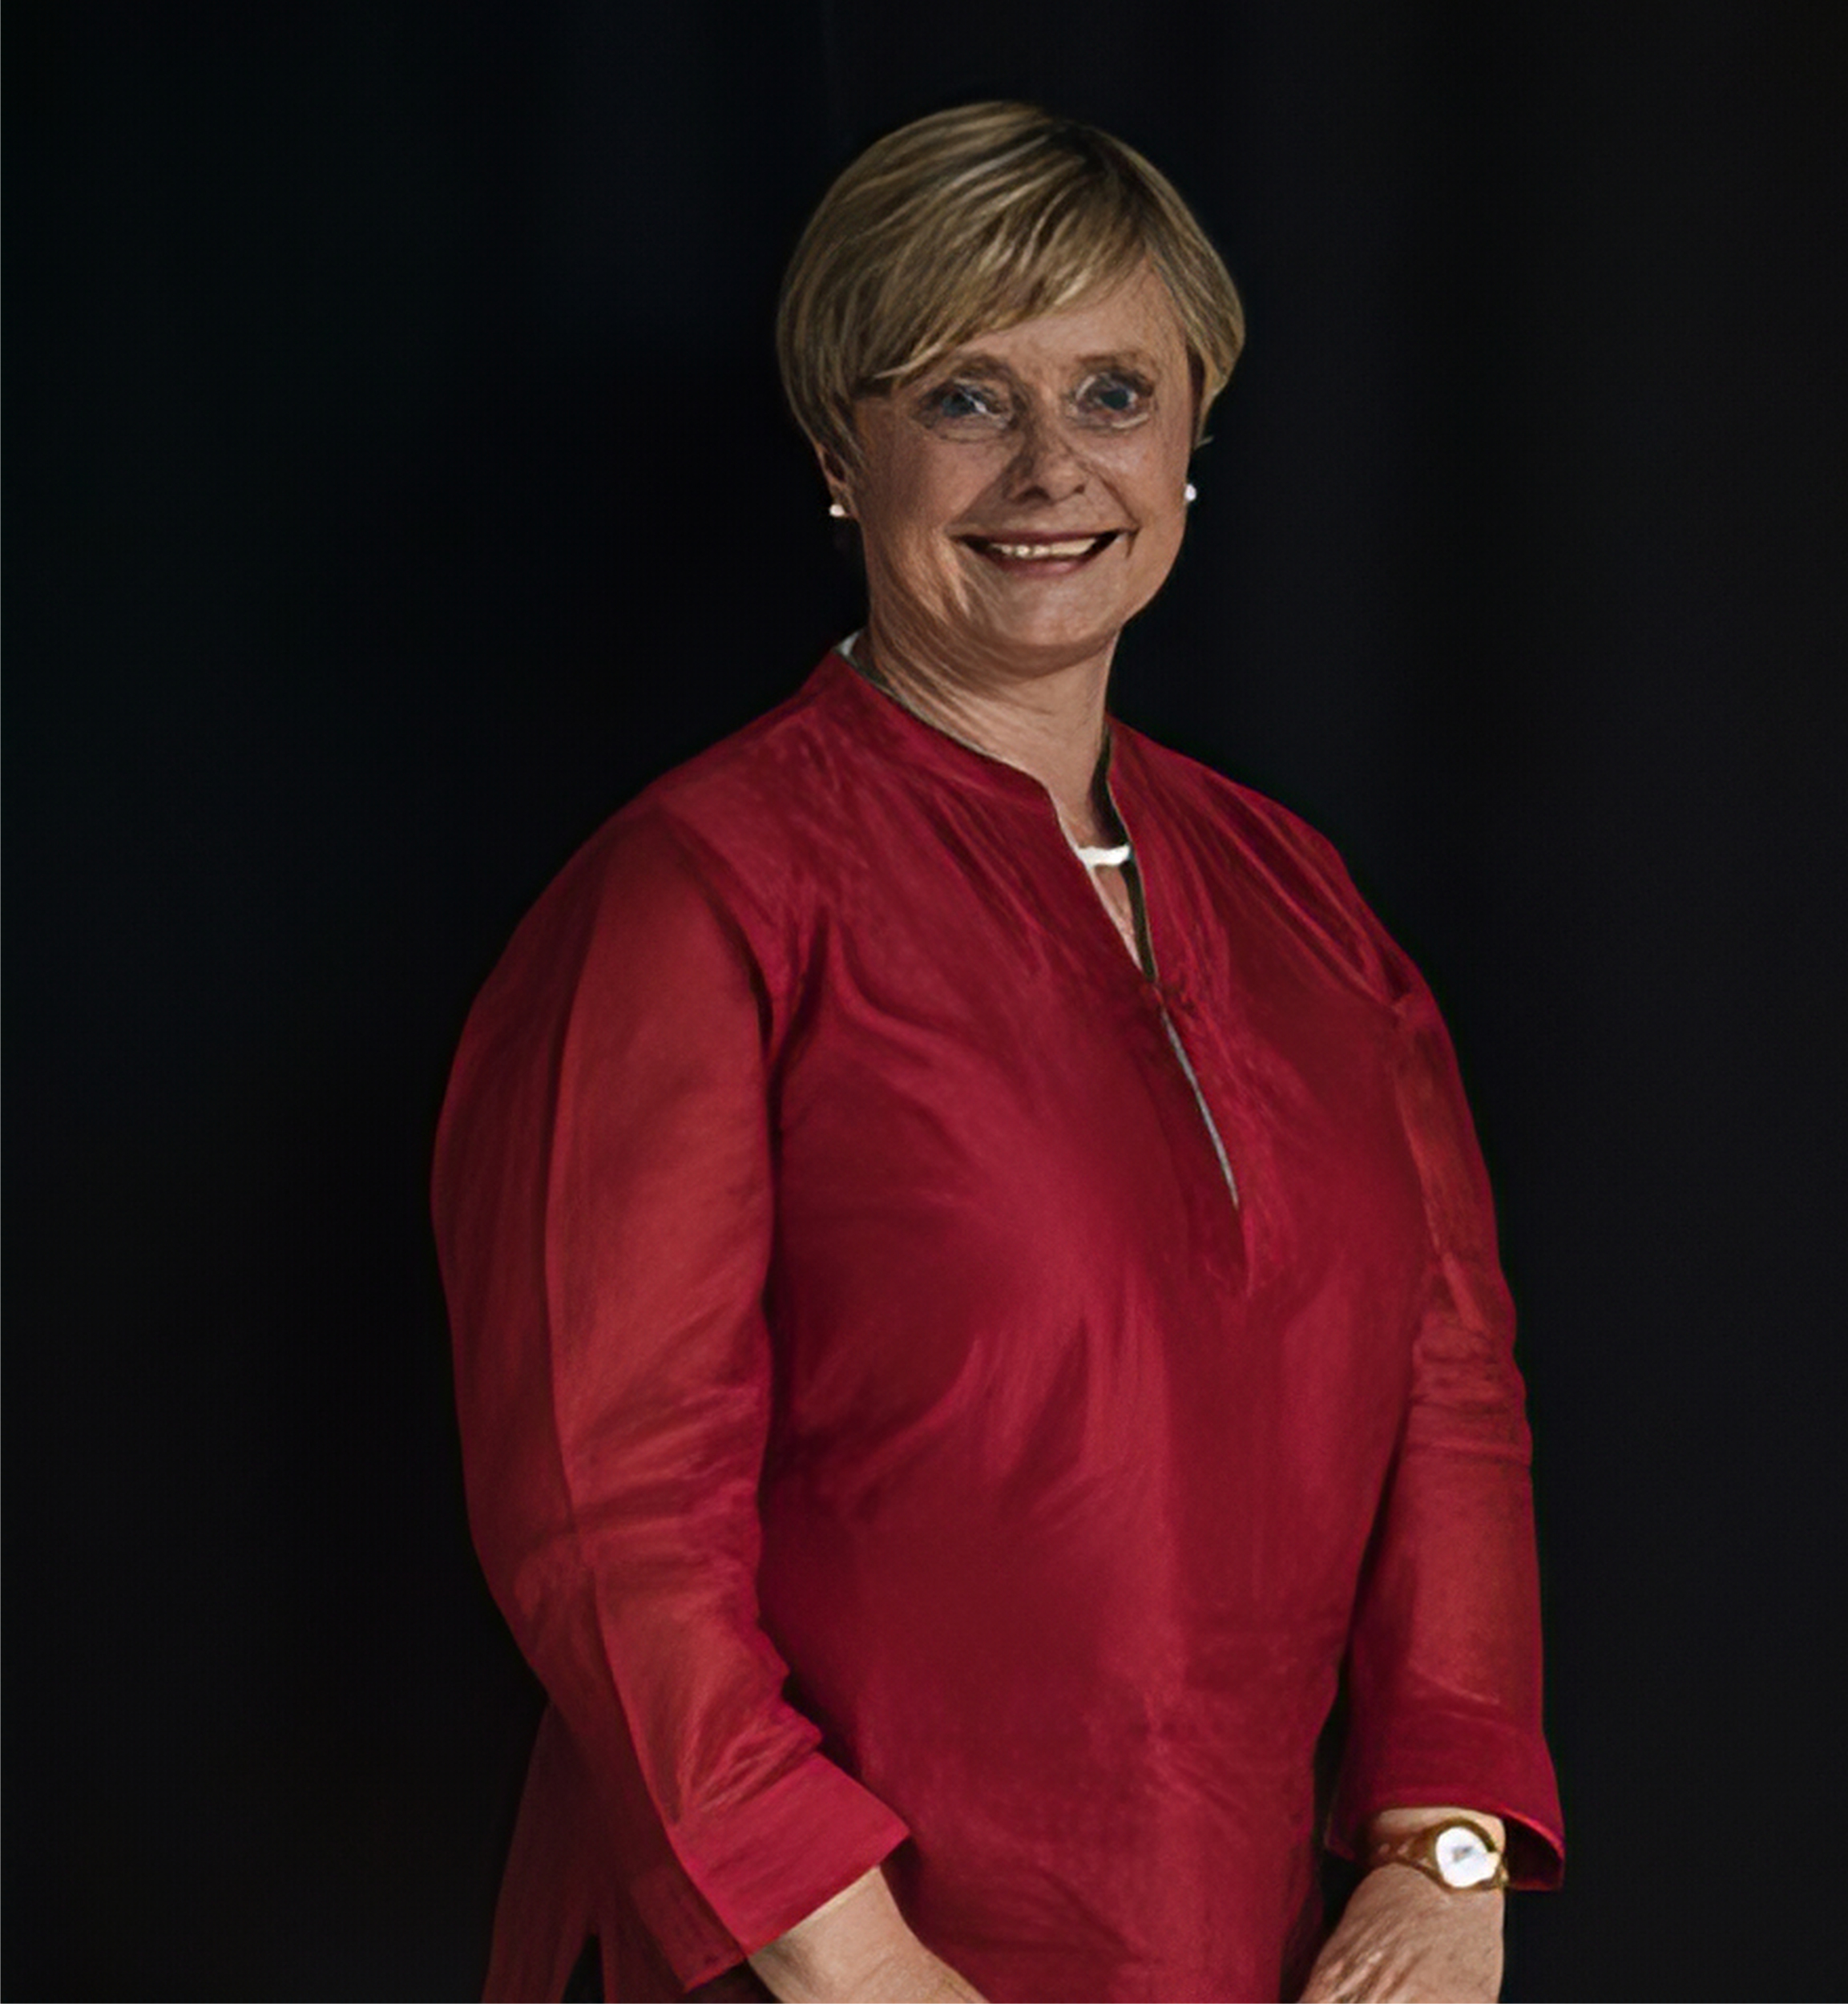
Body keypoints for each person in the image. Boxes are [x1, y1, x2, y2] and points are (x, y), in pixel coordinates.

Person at [433, 101, 1563, 2004]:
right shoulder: (698, 898)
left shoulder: (1304, 908)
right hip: (822, 1965)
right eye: (963, 396)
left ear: (1194, 433)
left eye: (1112, 391)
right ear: (834, 449)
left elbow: (1449, 1399)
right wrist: (851, 1955)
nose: (1052, 466)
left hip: (1248, 1956)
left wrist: (1437, 1848)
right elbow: (605, 1515)